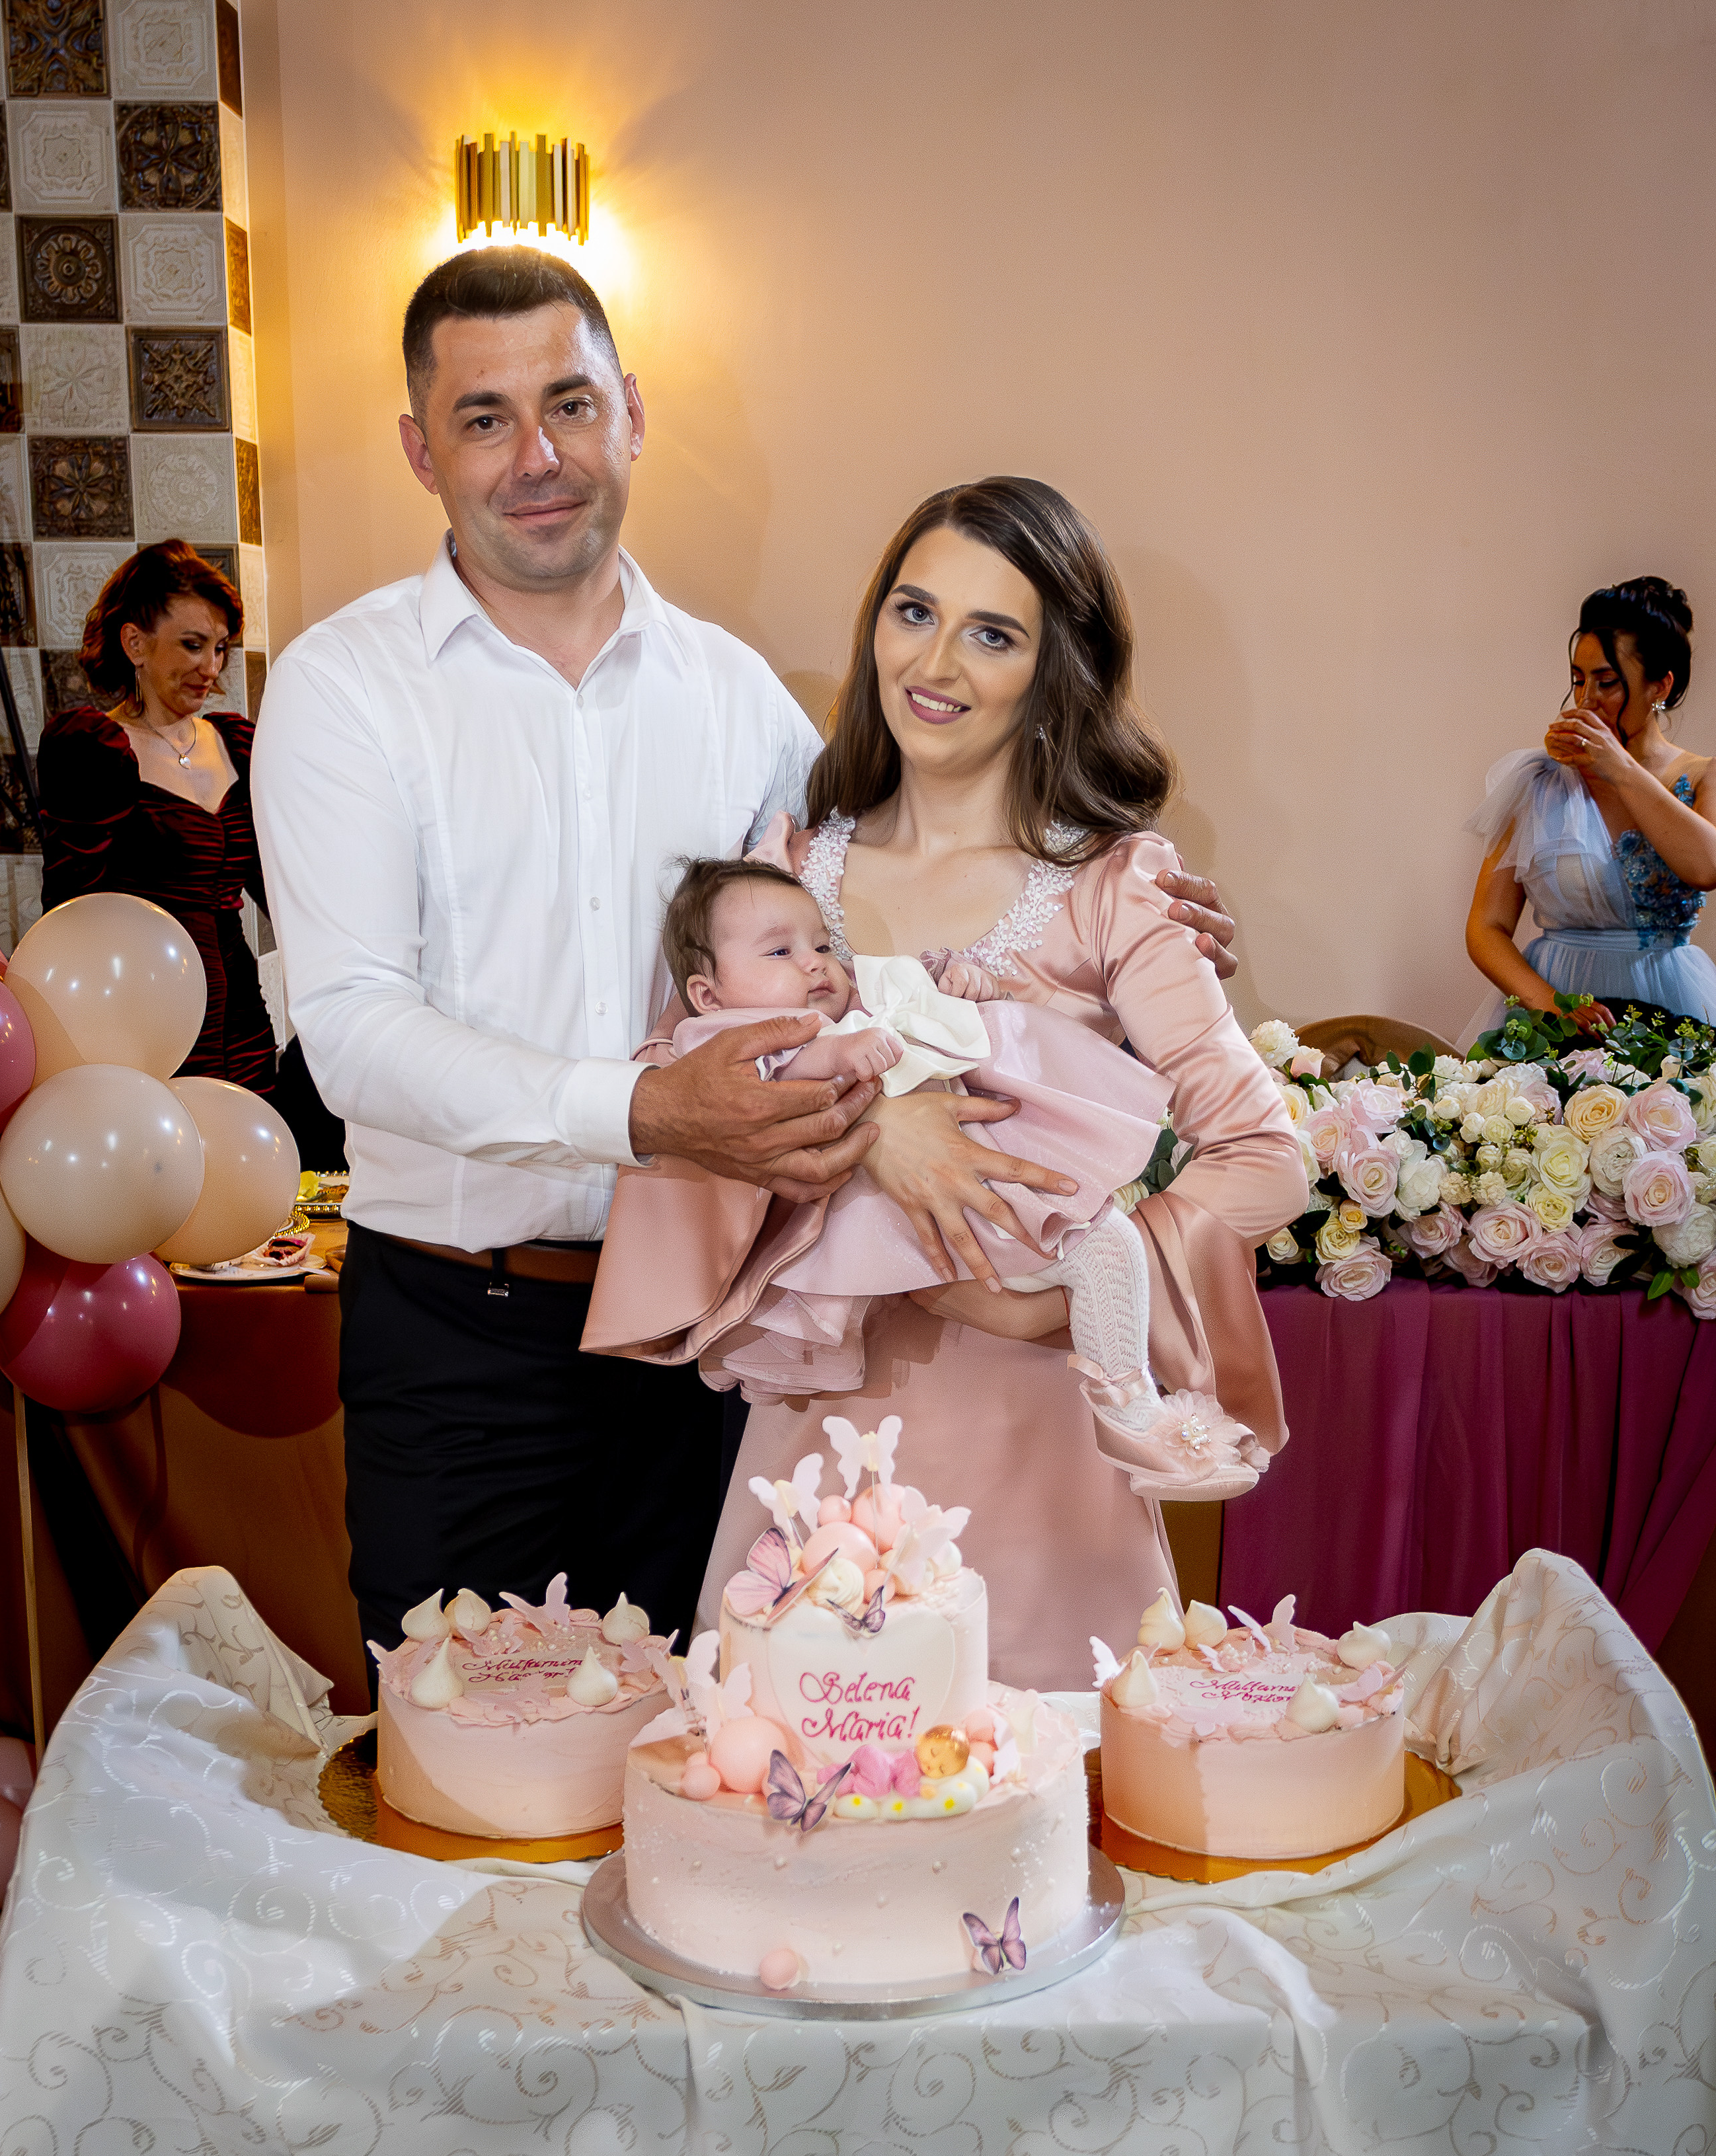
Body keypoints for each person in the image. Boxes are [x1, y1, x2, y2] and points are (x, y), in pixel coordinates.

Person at [252, 247, 1244, 1670]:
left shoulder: (743, 703)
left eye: (570, 404)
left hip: (719, 1343)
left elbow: (880, 941)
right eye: (483, 419)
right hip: (468, 1329)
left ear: (632, 414)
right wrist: (651, 1110)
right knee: (465, 1739)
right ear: (422, 450)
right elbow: (350, 1028)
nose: (538, 457)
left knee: (713, 1744)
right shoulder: (347, 689)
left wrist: (1123, 899)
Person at [693, 477, 1307, 1689]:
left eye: (992, 633)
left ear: (1054, 668)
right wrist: (875, 1129)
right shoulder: (782, 874)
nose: (935, 664)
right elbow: (702, 1115)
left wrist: (1077, 1291)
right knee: (801, 1771)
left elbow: (1265, 1157)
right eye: (914, 611)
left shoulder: (1115, 888)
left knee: (1043, 1790)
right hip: (824, 1452)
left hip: (1043, 1457)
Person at [588, 853, 1261, 1498]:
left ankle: (1132, 1406)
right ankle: (1133, 1413)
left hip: (956, 1193)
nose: (815, 963)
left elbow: (908, 992)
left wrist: (951, 985)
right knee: (1098, 1248)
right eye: (780, 952)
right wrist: (841, 1057)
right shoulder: (720, 1040)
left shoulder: (848, 1005)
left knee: (1110, 1243)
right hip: (890, 1219)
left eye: (821, 945)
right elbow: (767, 1088)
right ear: (707, 995)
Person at [37, 540, 276, 1092]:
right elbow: (72, 913)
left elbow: (284, 892)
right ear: (135, 643)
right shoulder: (93, 749)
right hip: (143, 1025)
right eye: (193, 645)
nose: (210, 668)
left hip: (241, 1024)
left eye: (220, 648)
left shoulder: (239, 744)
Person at [1464, 577, 1716, 1042]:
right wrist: (1550, 1004)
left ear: (1660, 685)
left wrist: (1619, 767)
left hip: (1671, 997)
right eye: (1579, 680)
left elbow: (1707, 867)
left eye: (1607, 683)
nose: (1586, 701)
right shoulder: (1538, 780)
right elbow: (1486, 926)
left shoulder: (1703, 776)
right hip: (1555, 1002)